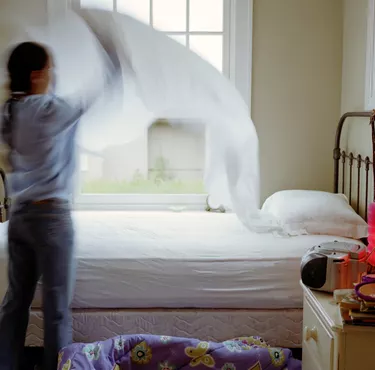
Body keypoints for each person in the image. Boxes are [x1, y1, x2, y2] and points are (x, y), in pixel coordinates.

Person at [0, 41, 88, 370]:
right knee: (56, 310)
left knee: (15, 303)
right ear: (37, 74)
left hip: (20, 216)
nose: (54, 76)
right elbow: (91, 98)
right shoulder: (50, 109)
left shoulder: (10, 110)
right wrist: (112, 55)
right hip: (51, 217)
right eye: (50, 70)